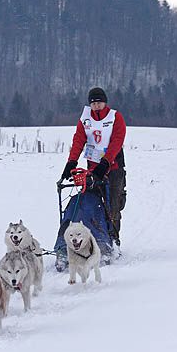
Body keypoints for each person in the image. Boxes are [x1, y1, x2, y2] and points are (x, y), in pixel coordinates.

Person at [61, 87, 127, 239]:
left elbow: (117, 141)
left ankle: (113, 240)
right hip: (92, 169)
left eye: (99, 102)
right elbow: (78, 140)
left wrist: (105, 162)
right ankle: (95, 237)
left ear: (105, 102)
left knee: (113, 205)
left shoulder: (115, 117)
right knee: (93, 204)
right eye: (93, 103)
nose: (96, 105)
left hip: (113, 168)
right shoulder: (85, 119)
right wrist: (71, 162)